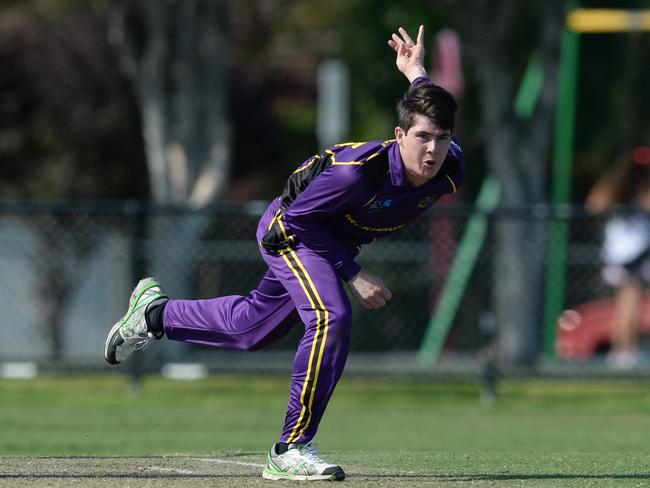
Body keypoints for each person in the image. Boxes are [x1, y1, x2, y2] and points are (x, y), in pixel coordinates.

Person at [104, 25, 463, 481]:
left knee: (250, 328)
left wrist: (416, 72)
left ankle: (154, 315)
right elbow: (296, 223)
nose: (432, 149)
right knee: (331, 316)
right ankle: (291, 447)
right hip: (290, 229)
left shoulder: (449, 169)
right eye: (422, 138)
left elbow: (427, 111)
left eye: (443, 138)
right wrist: (354, 273)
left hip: (327, 235)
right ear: (399, 135)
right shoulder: (358, 175)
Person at [586, 150, 650, 369]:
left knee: (630, 304)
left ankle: (625, 349)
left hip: (636, 254)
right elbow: (594, 204)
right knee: (629, 305)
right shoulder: (617, 187)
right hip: (627, 255)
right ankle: (623, 351)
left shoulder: (639, 189)